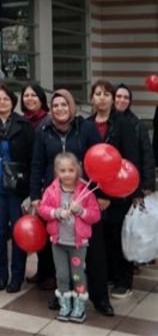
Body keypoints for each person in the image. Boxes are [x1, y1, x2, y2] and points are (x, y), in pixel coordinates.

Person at [30, 90, 112, 316]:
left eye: (64, 105)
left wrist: (103, 194)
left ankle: (100, 298)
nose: (59, 109)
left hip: (86, 198)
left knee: (94, 253)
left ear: (71, 106)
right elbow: (37, 164)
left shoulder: (85, 128)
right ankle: (63, 296)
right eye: (55, 106)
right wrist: (36, 195)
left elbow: (101, 158)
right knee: (60, 255)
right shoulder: (43, 130)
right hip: (56, 197)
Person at [87, 80, 139, 300]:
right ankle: (107, 274)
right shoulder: (87, 124)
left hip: (118, 191)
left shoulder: (123, 124)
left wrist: (113, 195)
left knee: (119, 235)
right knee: (102, 237)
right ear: (92, 98)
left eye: (107, 94)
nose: (102, 97)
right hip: (94, 193)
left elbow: (131, 158)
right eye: (98, 93)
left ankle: (123, 280)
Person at [37, 153, 101, 324]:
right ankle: (65, 305)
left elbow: (95, 215)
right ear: (57, 172)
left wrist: (80, 211)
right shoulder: (51, 190)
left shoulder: (85, 191)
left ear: (77, 170)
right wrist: (57, 213)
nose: (67, 174)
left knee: (77, 276)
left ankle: (79, 306)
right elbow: (43, 209)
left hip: (78, 244)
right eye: (62, 170)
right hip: (58, 242)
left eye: (71, 170)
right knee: (62, 275)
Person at [0, 85, 33, 293]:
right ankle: (1, 275)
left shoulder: (24, 125)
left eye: (5, 99)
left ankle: (17, 276)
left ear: (12, 102)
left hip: (17, 187)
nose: (1, 103)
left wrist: (31, 187)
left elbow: (32, 157)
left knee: (18, 231)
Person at [20, 83, 54, 289]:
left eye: (34, 95)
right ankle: (41, 271)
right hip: (28, 181)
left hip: (45, 182)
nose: (29, 98)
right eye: (26, 95)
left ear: (41, 99)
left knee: (49, 229)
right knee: (36, 228)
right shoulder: (23, 122)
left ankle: (50, 273)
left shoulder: (47, 122)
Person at [113, 83, 155, 198]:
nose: (122, 100)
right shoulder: (104, 122)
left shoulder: (138, 125)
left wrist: (148, 185)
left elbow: (147, 156)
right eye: (118, 96)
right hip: (109, 182)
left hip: (132, 184)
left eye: (126, 97)